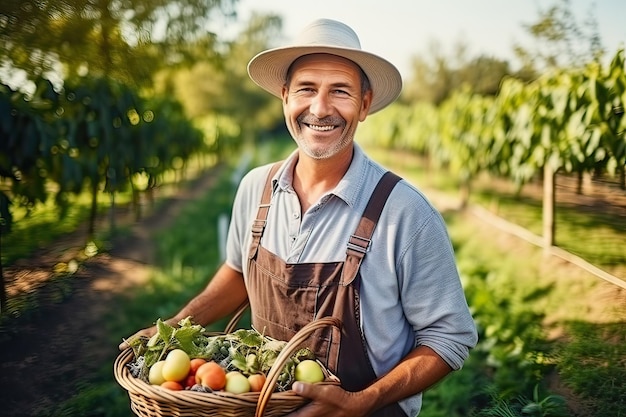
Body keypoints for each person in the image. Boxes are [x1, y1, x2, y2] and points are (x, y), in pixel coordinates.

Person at [120, 18, 478, 417]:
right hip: (262, 405)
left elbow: (449, 336)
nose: (320, 109)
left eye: (340, 91)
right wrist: (173, 327)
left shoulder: (405, 212)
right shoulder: (256, 188)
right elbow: (240, 272)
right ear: (285, 97)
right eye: (306, 89)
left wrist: (362, 402)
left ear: (364, 104)